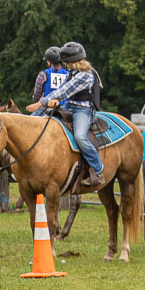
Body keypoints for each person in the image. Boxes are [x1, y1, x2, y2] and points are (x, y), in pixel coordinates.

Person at [27, 41, 104, 188]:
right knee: (40, 118)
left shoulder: (86, 75)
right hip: (69, 106)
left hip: (84, 110)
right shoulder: (71, 73)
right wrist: (53, 101)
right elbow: (62, 91)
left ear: (70, 62)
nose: (64, 65)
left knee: (80, 136)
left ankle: (98, 169)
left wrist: (41, 102)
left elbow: (64, 91)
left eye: (66, 62)